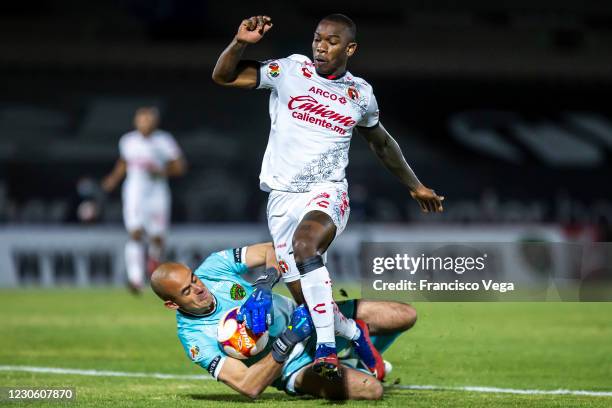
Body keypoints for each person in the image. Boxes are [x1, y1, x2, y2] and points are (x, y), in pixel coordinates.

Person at [211, 14, 443, 377]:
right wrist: (240, 43)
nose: (320, 46)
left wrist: (415, 185)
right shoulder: (289, 71)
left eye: (331, 41)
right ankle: (355, 334)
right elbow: (223, 76)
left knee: (307, 246)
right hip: (281, 199)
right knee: (309, 304)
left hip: (327, 193)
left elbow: (382, 143)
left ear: (350, 48)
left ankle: (327, 353)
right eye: (317, 38)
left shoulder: (360, 94)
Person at [150, 242, 417, 400]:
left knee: (405, 315)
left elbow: (271, 249)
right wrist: (287, 340)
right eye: (186, 291)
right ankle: (351, 356)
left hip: (310, 317)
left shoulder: (212, 268)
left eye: (193, 279)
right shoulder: (195, 338)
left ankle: (354, 351)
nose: (198, 288)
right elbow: (248, 386)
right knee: (371, 390)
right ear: (172, 304)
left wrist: (265, 283)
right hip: (292, 367)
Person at [102, 107, 187, 293]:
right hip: (134, 192)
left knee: (157, 237)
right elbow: (123, 163)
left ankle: (153, 263)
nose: (145, 123)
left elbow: (180, 167)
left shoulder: (164, 140)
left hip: (157, 193)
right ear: (136, 121)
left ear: (155, 122)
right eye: (141, 119)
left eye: (148, 119)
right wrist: (112, 179)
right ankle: (135, 279)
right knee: (135, 231)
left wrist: (161, 171)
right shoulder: (127, 141)